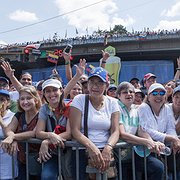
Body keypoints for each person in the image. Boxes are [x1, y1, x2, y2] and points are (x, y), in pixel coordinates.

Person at [69, 67, 120, 180]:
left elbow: (116, 131)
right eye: (91, 82)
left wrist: (108, 148)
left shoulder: (113, 102)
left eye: (99, 83)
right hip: (82, 152)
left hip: (106, 153)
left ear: (106, 86)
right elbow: (75, 130)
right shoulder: (79, 100)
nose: (94, 86)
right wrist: (91, 147)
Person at [116, 82, 164, 180]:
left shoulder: (135, 110)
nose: (129, 94)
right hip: (118, 155)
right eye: (125, 92)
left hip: (134, 154)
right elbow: (122, 134)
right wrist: (145, 142)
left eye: (131, 92)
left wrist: (151, 142)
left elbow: (141, 131)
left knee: (158, 167)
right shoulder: (116, 108)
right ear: (118, 95)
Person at [138, 83, 180, 179]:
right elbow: (147, 130)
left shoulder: (166, 109)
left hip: (161, 150)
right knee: (158, 168)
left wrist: (175, 140)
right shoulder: (143, 107)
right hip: (145, 150)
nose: (158, 96)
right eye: (155, 93)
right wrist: (171, 138)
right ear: (148, 97)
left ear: (165, 97)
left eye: (161, 93)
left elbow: (170, 128)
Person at [0, 86, 42, 180]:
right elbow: (8, 129)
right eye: (22, 99)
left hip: (40, 160)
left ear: (36, 100)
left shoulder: (41, 113)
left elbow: (34, 132)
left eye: (28, 98)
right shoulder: (19, 115)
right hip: (23, 160)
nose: (25, 102)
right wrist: (12, 137)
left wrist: (13, 137)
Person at [35, 78, 72, 180]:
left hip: (71, 152)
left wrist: (46, 142)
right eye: (48, 91)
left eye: (54, 90)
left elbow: (69, 133)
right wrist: (51, 135)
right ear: (44, 95)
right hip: (54, 153)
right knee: (47, 176)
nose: (52, 94)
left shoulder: (70, 106)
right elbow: (39, 132)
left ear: (61, 91)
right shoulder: (44, 108)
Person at [0, 89, 18, 180]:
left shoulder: (13, 116)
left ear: (8, 102)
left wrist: (1, 121)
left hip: (8, 165)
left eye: (1, 99)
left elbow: (12, 134)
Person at [167, 85, 180, 180]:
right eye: (177, 97)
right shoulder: (166, 108)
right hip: (165, 150)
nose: (179, 100)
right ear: (172, 97)